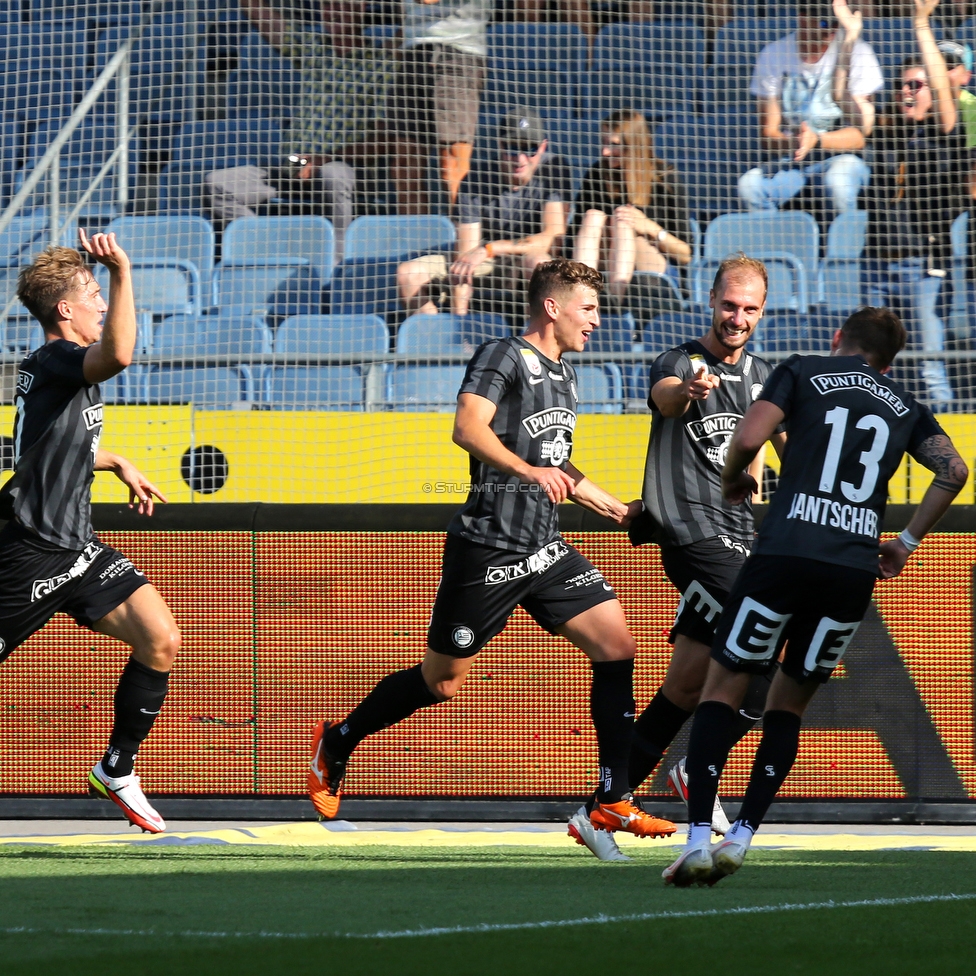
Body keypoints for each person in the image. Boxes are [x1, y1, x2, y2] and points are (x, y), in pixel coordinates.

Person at [308, 258, 676, 844]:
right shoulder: (503, 354)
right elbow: (468, 428)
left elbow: (556, 465)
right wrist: (527, 470)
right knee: (442, 680)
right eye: (588, 309)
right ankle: (341, 739)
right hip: (488, 548)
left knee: (616, 645)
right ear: (552, 307)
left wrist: (616, 509)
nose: (597, 321)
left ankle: (612, 798)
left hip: (545, 548)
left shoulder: (566, 374)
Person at [663, 305, 968, 887]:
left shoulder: (802, 370)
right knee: (787, 706)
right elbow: (953, 470)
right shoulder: (906, 406)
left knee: (723, 687)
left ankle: (699, 838)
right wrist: (904, 541)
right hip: (850, 570)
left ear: (838, 339)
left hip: (783, 554)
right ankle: (744, 836)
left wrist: (734, 481)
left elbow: (750, 436)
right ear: (889, 360)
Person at [567, 254, 785, 863]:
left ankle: (598, 809)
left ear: (762, 311)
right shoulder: (682, 362)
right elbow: (666, 397)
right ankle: (695, 767)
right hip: (692, 537)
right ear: (709, 301)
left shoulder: (767, 377)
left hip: (741, 533)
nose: (737, 317)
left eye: (749, 309)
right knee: (768, 639)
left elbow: (783, 450)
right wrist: (688, 391)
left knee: (686, 686)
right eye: (728, 305)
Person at [1, 231, 181, 833]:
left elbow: (44, 444)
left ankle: (116, 768)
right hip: (28, 549)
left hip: (74, 545)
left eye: (104, 289)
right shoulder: (57, 359)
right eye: (93, 293)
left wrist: (114, 460)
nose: (102, 302)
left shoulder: (53, 370)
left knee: (160, 638)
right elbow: (122, 354)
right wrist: (125, 269)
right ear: (65, 310)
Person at [205, 0, 424, 260]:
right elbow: (269, 21)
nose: (332, 12)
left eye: (341, 5)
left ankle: (338, 264)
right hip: (294, 165)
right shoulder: (313, 50)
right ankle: (264, 254)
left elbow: (385, 141)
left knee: (333, 174)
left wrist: (325, 159)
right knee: (218, 185)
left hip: (346, 170)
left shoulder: (378, 63)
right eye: (327, 6)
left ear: (361, 9)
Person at [865, 0, 974, 408]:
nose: (907, 91)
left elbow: (944, 92)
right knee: (867, 366)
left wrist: (921, 24)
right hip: (876, 265)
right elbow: (846, 99)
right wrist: (848, 38)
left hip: (925, 268)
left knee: (930, 365)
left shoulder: (947, 132)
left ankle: (949, 441)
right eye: (902, 85)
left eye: (917, 84)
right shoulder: (888, 134)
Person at [397, 111, 572, 317]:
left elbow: (553, 239)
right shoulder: (476, 179)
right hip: (482, 263)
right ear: (500, 145)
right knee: (408, 274)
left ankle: (534, 345)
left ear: (543, 147)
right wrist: (459, 321)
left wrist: (490, 248)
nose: (520, 158)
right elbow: (465, 255)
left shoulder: (553, 170)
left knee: (539, 264)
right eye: (513, 148)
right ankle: (442, 342)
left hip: (521, 260)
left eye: (529, 149)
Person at [738, 0, 882, 217]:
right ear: (803, 18)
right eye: (824, 23)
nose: (831, 31)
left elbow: (861, 135)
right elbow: (768, 135)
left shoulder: (858, 51)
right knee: (750, 186)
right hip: (792, 159)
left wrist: (817, 140)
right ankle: (772, 247)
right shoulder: (774, 54)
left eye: (835, 24)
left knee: (838, 182)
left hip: (842, 157)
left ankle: (843, 251)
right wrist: (797, 142)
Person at [571, 109, 692, 305]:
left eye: (614, 145)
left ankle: (615, 303)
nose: (605, 152)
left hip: (654, 270)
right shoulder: (596, 175)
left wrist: (649, 228)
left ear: (633, 145)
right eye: (603, 143)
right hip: (603, 265)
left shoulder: (665, 179)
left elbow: (686, 254)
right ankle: (582, 300)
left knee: (623, 222)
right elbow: (572, 237)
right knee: (593, 216)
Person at [388, 1, 490, 209]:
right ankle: (412, 237)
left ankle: (463, 236)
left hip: (457, 53)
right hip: (412, 52)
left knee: (451, 163)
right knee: (405, 165)